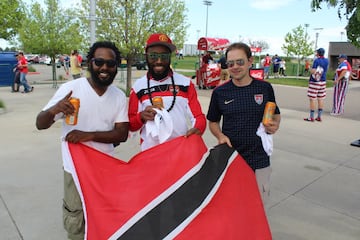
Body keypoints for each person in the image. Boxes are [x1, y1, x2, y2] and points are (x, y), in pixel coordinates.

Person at [35, 41, 129, 240]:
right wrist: (56, 109)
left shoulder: (119, 96)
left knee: (102, 218)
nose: (104, 67)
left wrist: (90, 135)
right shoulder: (71, 89)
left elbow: (121, 133)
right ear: (89, 63)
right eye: (99, 62)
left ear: (116, 67)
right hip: (75, 169)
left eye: (110, 63)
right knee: (76, 220)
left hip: (105, 169)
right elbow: (40, 124)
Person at [206, 42, 281, 206]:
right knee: (232, 207)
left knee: (258, 207)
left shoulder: (265, 88)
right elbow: (212, 122)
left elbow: (275, 115)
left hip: (259, 159)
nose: (235, 67)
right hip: (231, 159)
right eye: (230, 63)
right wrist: (220, 136)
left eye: (240, 62)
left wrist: (274, 125)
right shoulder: (220, 92)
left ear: (250, 61)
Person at [128, 33, 206, 151]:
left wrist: (198, 129)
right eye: (153, 56)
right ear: (146, 56)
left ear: (170, 57)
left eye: (164, 56)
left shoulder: (185, 83)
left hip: (179, 151)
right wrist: (141, 117)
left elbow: (198, 117)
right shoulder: (138, 87)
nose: (159, 61)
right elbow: (131, 125)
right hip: (150, 154)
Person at [304, 48, 329, 122]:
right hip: (323, 80)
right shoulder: (326, 60)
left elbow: (313, 71)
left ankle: (311, 117)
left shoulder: (316, 60)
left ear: (318, 53)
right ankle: (319, 116)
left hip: (315, 81)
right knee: (320, 98)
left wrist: (309, 68)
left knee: (312, 98)